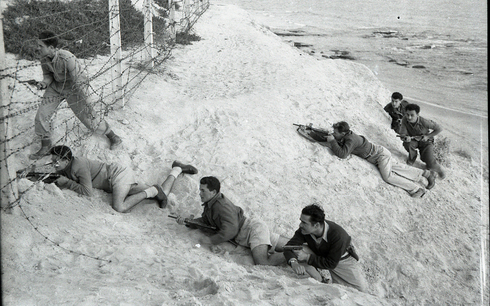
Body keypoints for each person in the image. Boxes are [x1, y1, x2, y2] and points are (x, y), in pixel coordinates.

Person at [30, 31, 122, 160]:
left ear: (51, 47)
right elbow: (48, 76)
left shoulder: (67, 58)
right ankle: (46, 145)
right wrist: (43, 84)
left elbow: (79, 81)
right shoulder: (44, 59)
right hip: (56, 87)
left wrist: (87, 102)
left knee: (89, 118)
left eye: (41, 46)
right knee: (41, 115)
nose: (38, 48)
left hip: (74, 88)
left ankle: (113, 137)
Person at [300, 121, 437, 198]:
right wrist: (316, 132)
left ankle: (416, 189)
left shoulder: (350, 139)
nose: (333, 134)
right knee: (397, 167)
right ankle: (426, 174)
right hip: (379, 153)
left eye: (336, 133)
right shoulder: (345, 135)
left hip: (379, 155)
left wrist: (332, 141)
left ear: (343, 133)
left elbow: (342, 154)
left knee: (388, 176)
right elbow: (330, 138)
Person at [176, 176, 289, 266]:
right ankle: (298, 249)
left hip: (252, 231)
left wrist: (211, 240)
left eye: (203, 190)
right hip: (251, 231)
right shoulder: (211, 204)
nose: (200, 193)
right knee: (291, 244)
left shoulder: (221, 206)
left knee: (263, 262)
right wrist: (188, 222)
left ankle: (292, 254)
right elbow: (206, 221)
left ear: (213, 191)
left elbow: (231, 230)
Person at [49, 145, 198, 212]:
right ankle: (177, 169)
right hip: (114, 181)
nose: (54, 164)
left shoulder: (78, 165)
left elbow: (87, 192)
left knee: (119, 207)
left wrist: (67, 183)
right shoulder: (65, 167)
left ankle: (153, 191)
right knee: (163, 194)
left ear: (67, 160)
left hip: (117, 176)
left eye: (57, 161)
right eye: (53, 161)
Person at [284, 204, 367, 292]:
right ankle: (319, 278)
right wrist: (294, 263)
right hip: (319, 254)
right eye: (301, 221)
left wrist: (306, 257)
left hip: (341, 260)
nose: (300, 225)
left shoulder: (338, 235)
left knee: (360, 290)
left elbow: (331, 264)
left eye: (304, 222)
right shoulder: (304, 230)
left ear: (316, 225)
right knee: (298, 250)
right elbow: (288, 247)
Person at [398, 103, 445, 178]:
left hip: (426, 142)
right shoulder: (404, 119)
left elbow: (439, 128)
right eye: (407, 114)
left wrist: (427, 136)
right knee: (407, 144)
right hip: (414, 140)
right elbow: (402, 134)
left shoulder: (424, 121)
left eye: (412, 115)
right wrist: (405, 138)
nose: (409, 117)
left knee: (429, 162)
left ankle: (439, 170)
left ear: (417, 114)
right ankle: (412, 158)